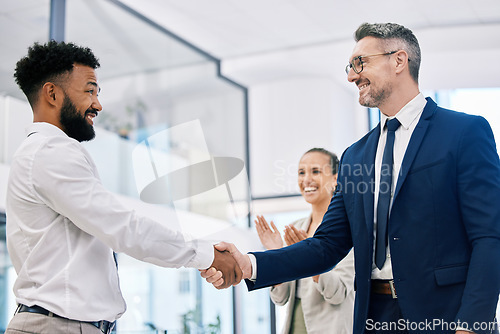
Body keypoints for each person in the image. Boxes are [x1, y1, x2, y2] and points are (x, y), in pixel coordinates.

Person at [202, 22, 500, 334]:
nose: (351, 76)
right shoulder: (355, 156)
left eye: (360, 63)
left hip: (446, 317)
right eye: (350, 66)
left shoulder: (464, 133)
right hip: (374, 317)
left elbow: (489, 238)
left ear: (399, 60)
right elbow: (327, 244)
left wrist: (472, 326)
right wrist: (251, 263)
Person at [5, 41, 242, 334]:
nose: (98, 104)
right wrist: (207, 255)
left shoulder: (43, 152)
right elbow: (123, 227)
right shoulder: (51, 152)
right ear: (52, 93)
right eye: (89, 91)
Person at [255, 148, 355, 334]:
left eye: (315, 171)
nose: (306, 179)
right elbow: (280, 298)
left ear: (335, 179)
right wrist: (275, 252)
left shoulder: (348, 230)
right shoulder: (296, 227)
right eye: (301, 172)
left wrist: (310, 261)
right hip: (294, 325)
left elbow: (338, 293)